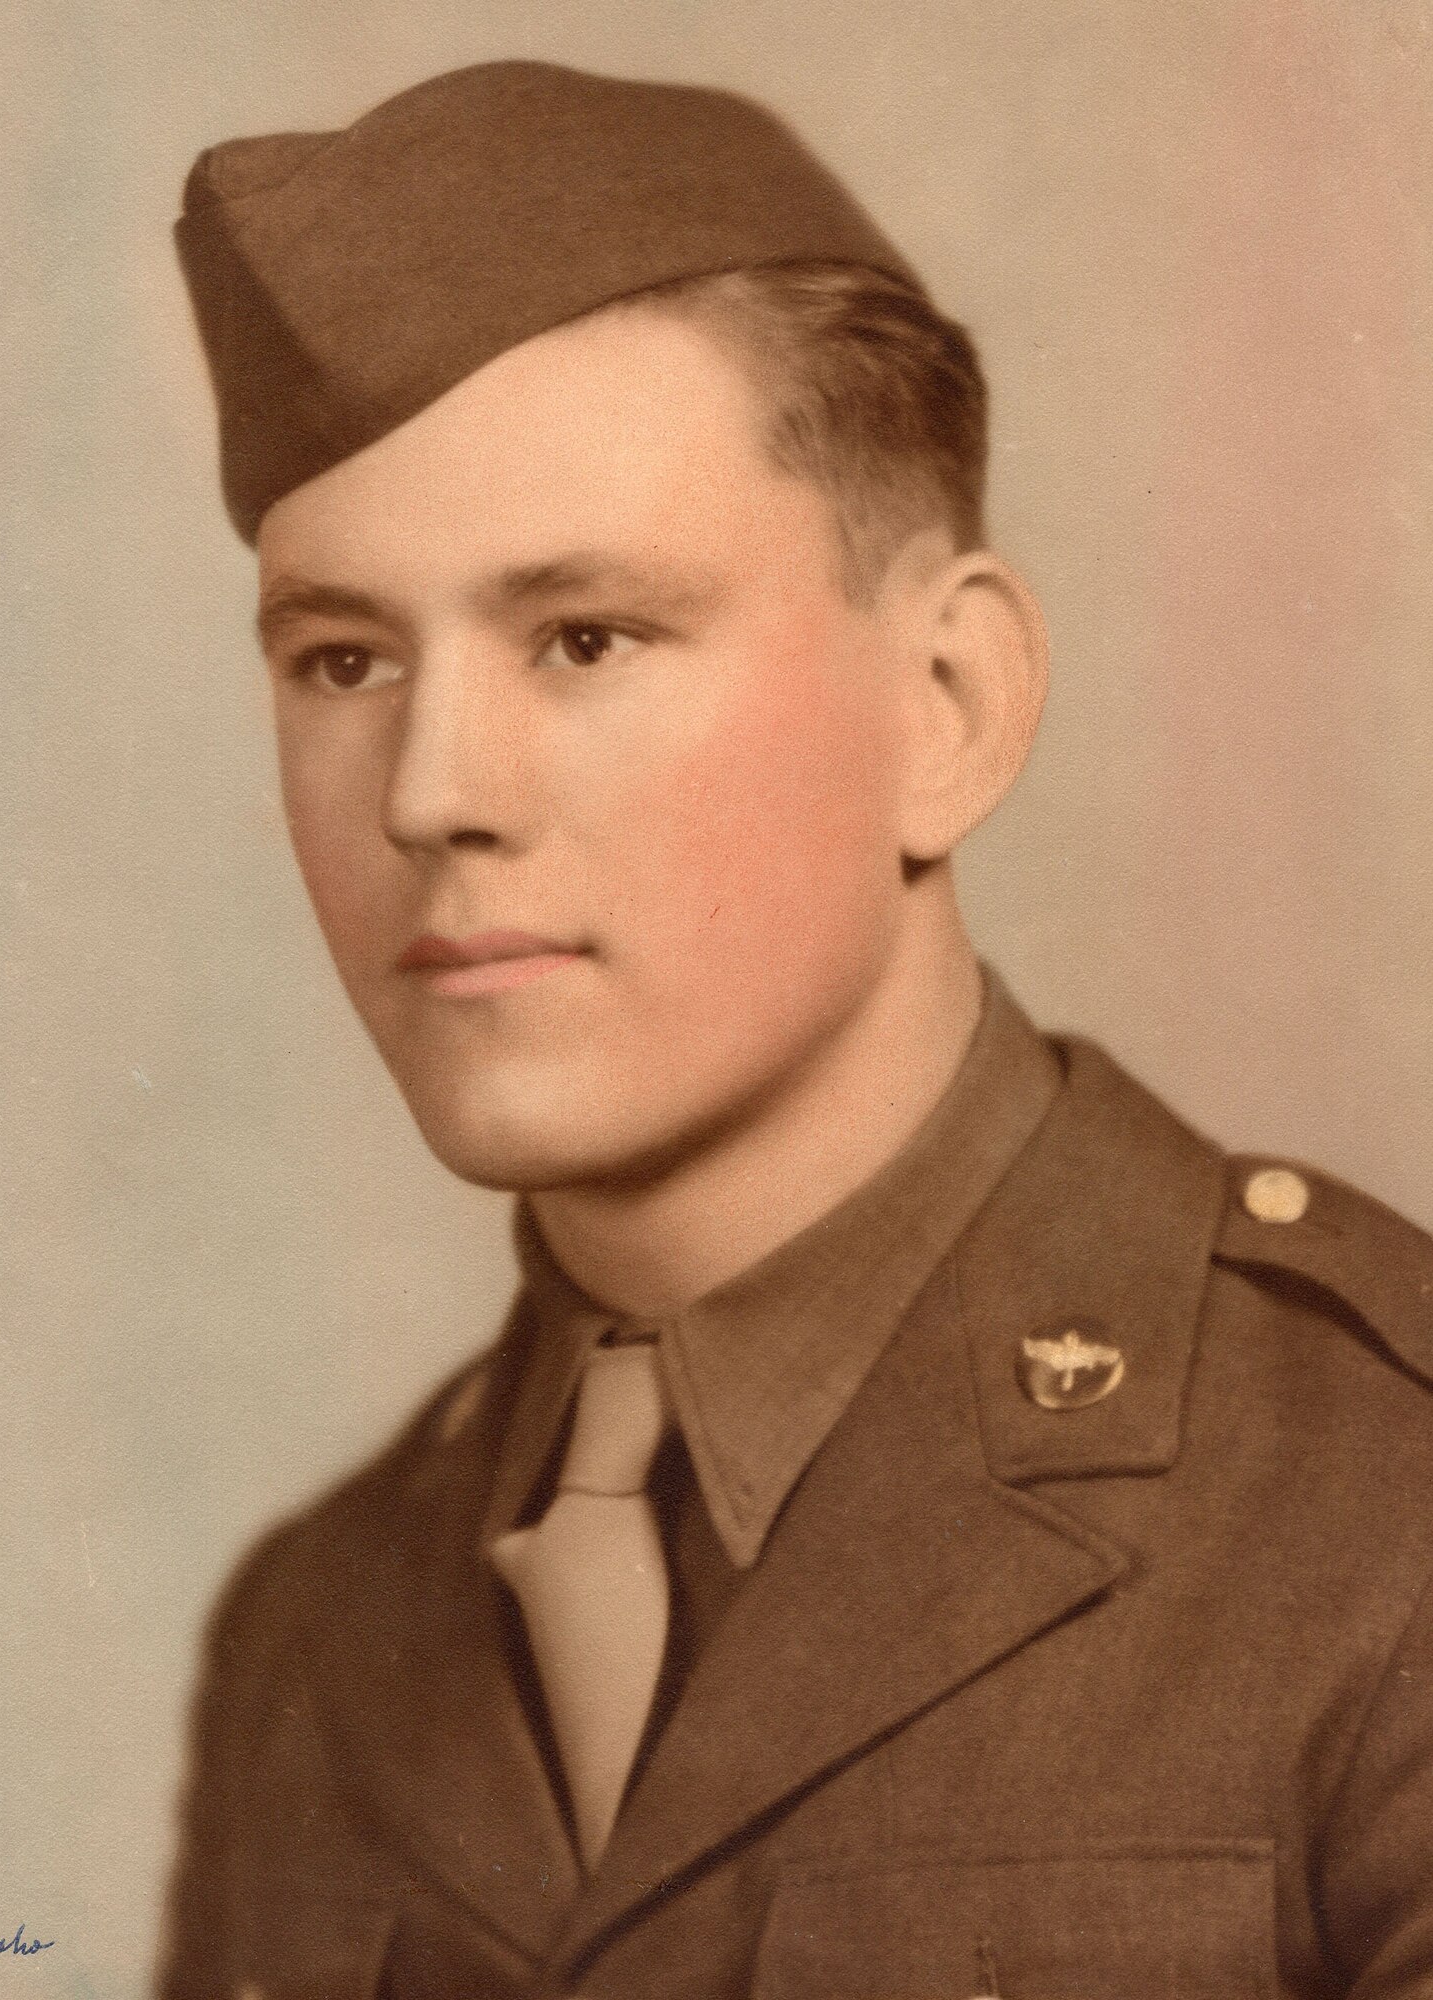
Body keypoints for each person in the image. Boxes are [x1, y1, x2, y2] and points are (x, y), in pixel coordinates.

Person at [160, 59, 1433, 2000]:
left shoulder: (1372, 1510)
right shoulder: (311, 1638)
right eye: (343, 657)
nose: (429, 788)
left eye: (583, 636)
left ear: (947, 705)